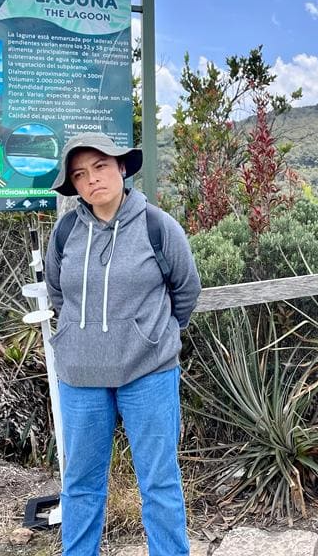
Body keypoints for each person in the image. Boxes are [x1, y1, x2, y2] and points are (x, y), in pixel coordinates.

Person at [44, 132, 201, 556]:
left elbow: (186, 290)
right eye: (80, 174)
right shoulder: (65, 233)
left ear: (122, 168)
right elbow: (59, 293)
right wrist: (80, 335)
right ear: (73, 186)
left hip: (148, 373)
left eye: (100, 167)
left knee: (159, 482)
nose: (92, 180)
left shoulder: (157, 226)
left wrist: (152, 337)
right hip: (80, 377)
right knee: (80, 485)